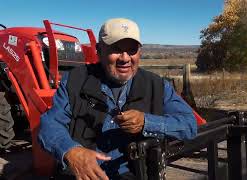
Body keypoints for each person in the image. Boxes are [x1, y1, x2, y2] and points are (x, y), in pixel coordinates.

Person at [38, 18, 197, 180]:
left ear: (139, 52)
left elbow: (189, 125)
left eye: (132, 50)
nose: (125, 58)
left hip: (133, 173)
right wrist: (72, 152)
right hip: (81, 175)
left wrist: (146, 123)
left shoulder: (157, 86)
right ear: (99, 50)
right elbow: (49, 125)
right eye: (116, 49)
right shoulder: (75, 80)